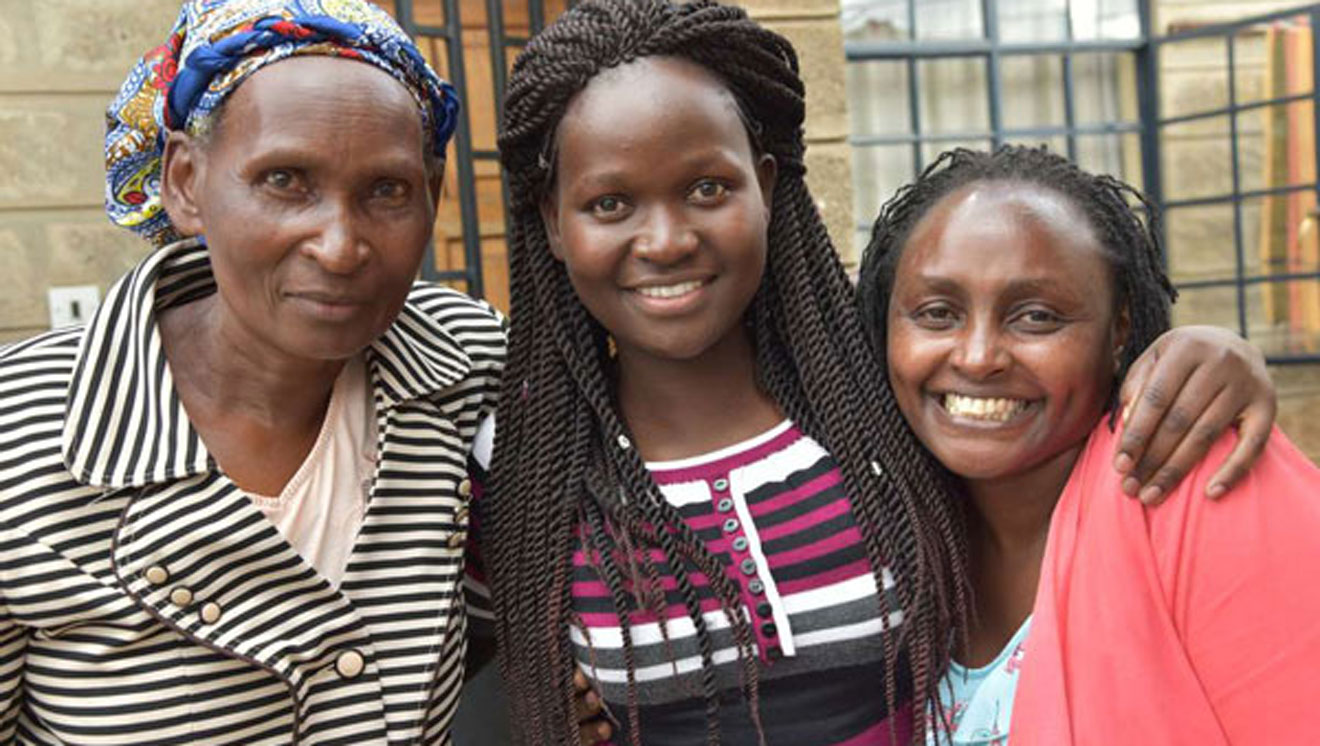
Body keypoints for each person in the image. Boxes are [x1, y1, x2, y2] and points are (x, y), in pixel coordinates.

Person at [474, 2, 1278, 744]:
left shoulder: (873, 401)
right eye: (610, 204)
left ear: (768, 184)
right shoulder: (519, 466)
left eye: (708, 188)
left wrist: (1207, 353)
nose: (665, 240)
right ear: (551, 220)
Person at [0, 1, 505, 742]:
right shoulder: (22, 437)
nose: (339, 245)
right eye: (284, 180)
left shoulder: (466, 368)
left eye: (386, 191)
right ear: (184, 182)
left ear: (430, 198)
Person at [856, 145, 1320, 745]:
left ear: (1119, 328)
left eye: (1036, 318)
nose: (977, 357)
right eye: (938, 313)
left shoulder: (1191, 484)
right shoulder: (881, 535)